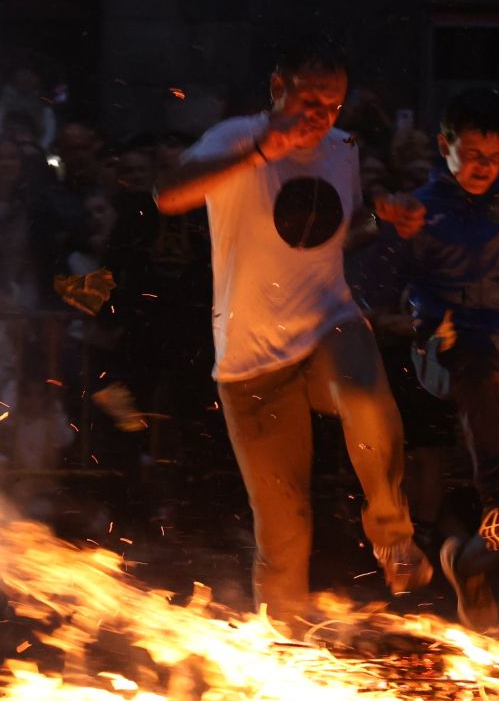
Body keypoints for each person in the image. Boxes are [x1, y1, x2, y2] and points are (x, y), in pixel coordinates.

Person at [152, 36, 432, 618]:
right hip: (251, 360)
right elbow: (167, 194)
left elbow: (340, 220)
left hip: (326, 325)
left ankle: (391, 530)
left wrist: (383, 214)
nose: (320, 118)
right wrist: (259, 152)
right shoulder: (235, 138)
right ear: (278, 90)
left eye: (332, 106)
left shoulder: (343, 146)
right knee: (284, 530)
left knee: (366, 397)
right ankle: (282, 645)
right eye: (309, 102)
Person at [369, 87, 499, 629]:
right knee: (474, 352)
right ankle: (495, 494)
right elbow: (378, 282)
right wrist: (391, 232)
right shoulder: (424, 206)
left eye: (494, 155)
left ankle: (465, 559)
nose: (484, 167)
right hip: (446, 348)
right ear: (445, 146)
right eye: (473, 154)